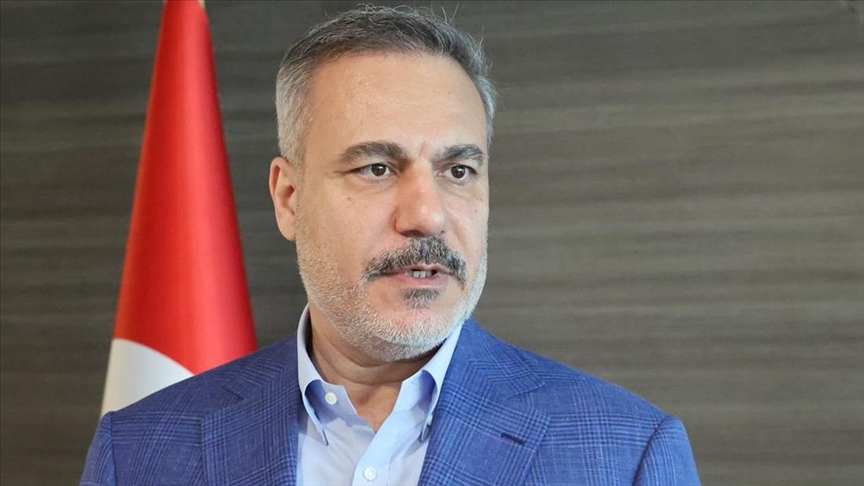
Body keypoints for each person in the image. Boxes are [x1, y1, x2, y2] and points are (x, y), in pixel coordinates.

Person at [81, 5, 700, 485]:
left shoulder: (626, 455)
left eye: (458, 170)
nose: (428, 215)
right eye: (376, 168)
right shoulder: (137, 452)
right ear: (289, 198)